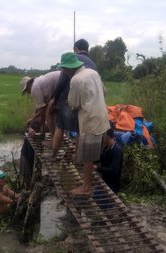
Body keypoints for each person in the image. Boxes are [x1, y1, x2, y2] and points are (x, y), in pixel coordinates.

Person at [61, 52, 110, 196]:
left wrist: (68, 102)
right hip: (102, 117)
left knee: (88, 157)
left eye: (64, 68)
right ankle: (85, 175)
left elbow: (74, 104)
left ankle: (86, 187)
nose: (64, 71)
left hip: (90, 121)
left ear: (69, 68)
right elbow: (104, 91)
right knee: (91, 154)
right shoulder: (92, 72)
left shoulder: (76, 80)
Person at [45, 39, 98, 160]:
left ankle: (54, 154)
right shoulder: (93, 65)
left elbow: (61, 83)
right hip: (87, 105)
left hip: (69, 101)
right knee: (80, 130)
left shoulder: (72, 61)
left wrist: (54, 98)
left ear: (75, 49)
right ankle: (77, 157)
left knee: (60, 125)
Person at [20, 71, 61, 139]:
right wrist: (33, 118)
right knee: (52, 111)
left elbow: (42, 109)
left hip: (62, 83)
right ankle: (56, 138)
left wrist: (43, 126)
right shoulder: (39, 83)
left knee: (49, 115)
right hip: (63, 82)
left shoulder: (34, 88)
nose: (28, 92)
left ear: (28, 84)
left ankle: (54, 139)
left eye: (27, 90)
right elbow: (44, 107)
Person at [95, 127, 123, 194]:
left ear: (107, 137)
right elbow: (98, 159)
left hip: (111, 186)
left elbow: (114, 170)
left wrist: (97, 168)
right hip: (104, 182)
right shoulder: (106, 148)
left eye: (102, 136)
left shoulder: (117, 150)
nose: (101, 139)